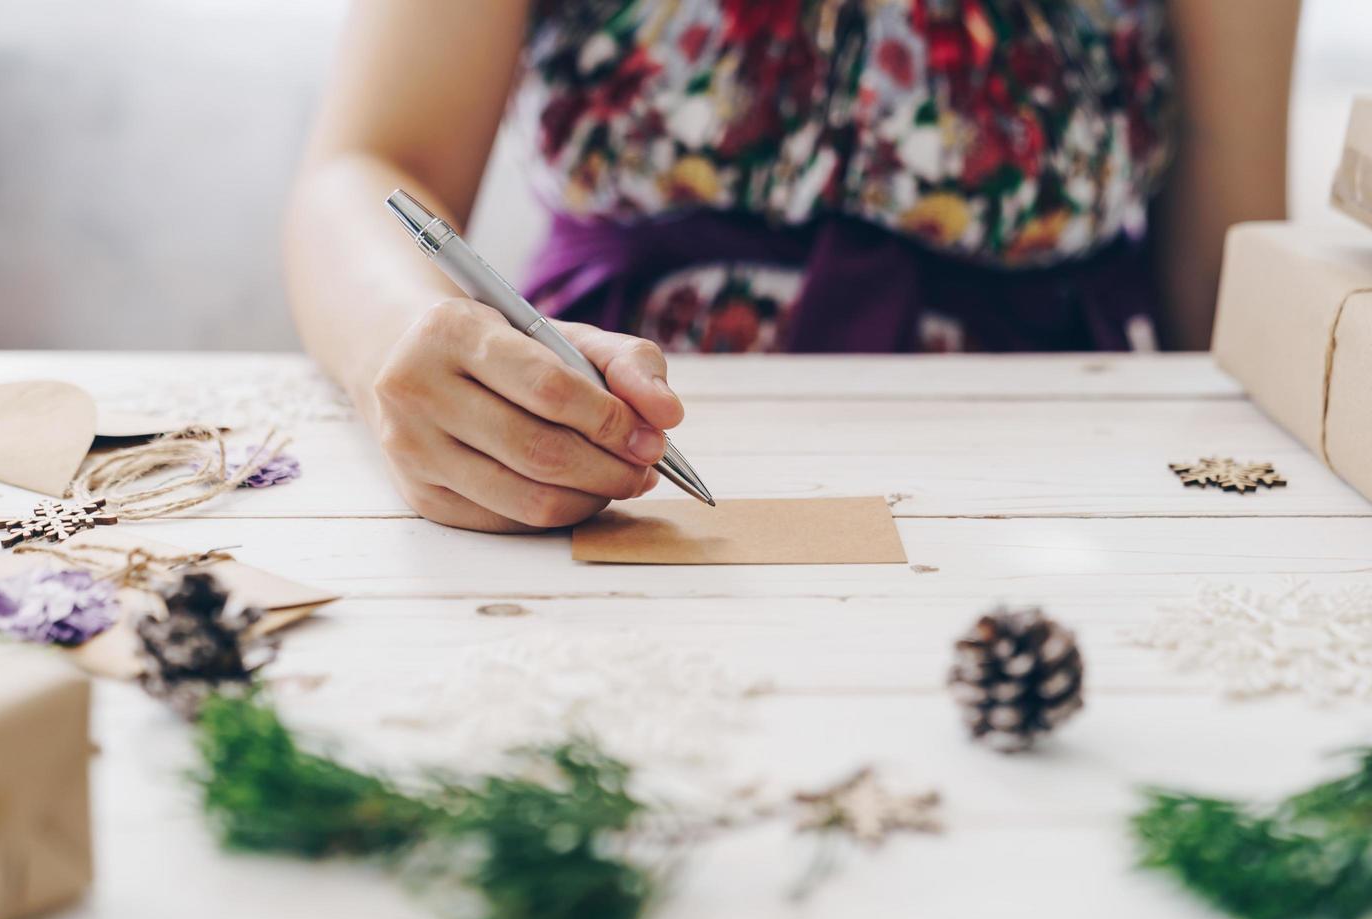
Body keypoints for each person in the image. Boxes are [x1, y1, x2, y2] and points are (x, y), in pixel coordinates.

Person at [284, 0, 1299, 532]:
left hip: (1062, 493)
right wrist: (405, 336)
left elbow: (1231, 268)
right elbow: (367, 171)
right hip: (603, 455)